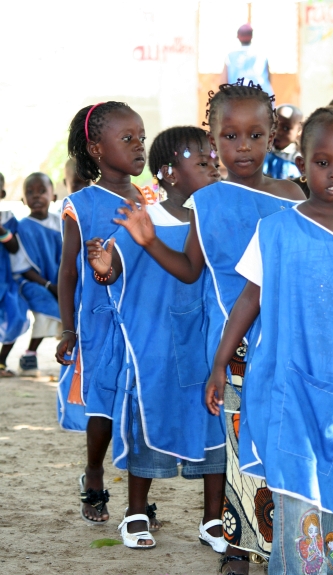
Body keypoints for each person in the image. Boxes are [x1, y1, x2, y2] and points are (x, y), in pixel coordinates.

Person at [110, 81, 305, 575]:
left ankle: (295, 550)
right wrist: (149, 242)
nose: (244, 146)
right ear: (213, 140)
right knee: (243, 454)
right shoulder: (207, 201)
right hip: (235, 348)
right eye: (230, 135)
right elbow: (193, 270)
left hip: (291, 343)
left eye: (256, 134)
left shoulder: (295, 196)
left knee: (287, 448)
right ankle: (238, 557)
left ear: (274, 136)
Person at [205, 104, 333, 575]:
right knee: (296, 493)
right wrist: (220, 362)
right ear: (301, 163)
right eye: (322, 161)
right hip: (285, 385)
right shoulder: (277, 230)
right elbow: (249, 298)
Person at [86, 125, 227, 551]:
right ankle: (135, 510)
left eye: (213, 159)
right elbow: (111, 272)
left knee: (213, 427)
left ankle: (213, 520)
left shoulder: (217, 217)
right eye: (202, 161)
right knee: (148, 420)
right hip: (154, 348)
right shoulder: (143, 220)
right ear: (168, 173)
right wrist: (103, 265)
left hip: (205, 346)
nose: (213, 167)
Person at [55, 101, 156, 526]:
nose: (139, 147)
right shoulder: (81, 204)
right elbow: (66, 273)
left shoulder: (152, 198)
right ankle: (94, 473)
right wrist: (67, 328)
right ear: (96, 148)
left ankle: (139, 499)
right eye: (127, 139)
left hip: (143, 321)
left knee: (140, 408)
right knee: (103, 407)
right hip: (99, 322)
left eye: (142, 138)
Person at [15, 173, 62, 376]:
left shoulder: (61, 222)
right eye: (30, 192)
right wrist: (49, 286)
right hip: (31, 281)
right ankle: (30, 354)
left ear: (54, 196)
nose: (36, 196)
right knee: (46, 308)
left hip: (58, 280)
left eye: (42, 191)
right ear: (22, 200)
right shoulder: (22, 227)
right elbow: (22, 267)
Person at [0, 172, 29, 376]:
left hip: (5, 280)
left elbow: (14, 247)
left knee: (16, 317)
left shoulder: (8, 219)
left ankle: (1, 361)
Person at [221, 24, 273, 96]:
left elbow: (224, 81)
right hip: (260, 94)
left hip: (237, 95)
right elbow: (268, 79)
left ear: (238, 37)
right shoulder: (262, 55)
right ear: (251, 36)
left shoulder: (230, 56)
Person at [263, 104, 302, 180]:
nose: (278, 132)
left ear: (299, 131)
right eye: (275, 125)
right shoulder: (264, 150)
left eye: (286, 128)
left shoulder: (297, 160)